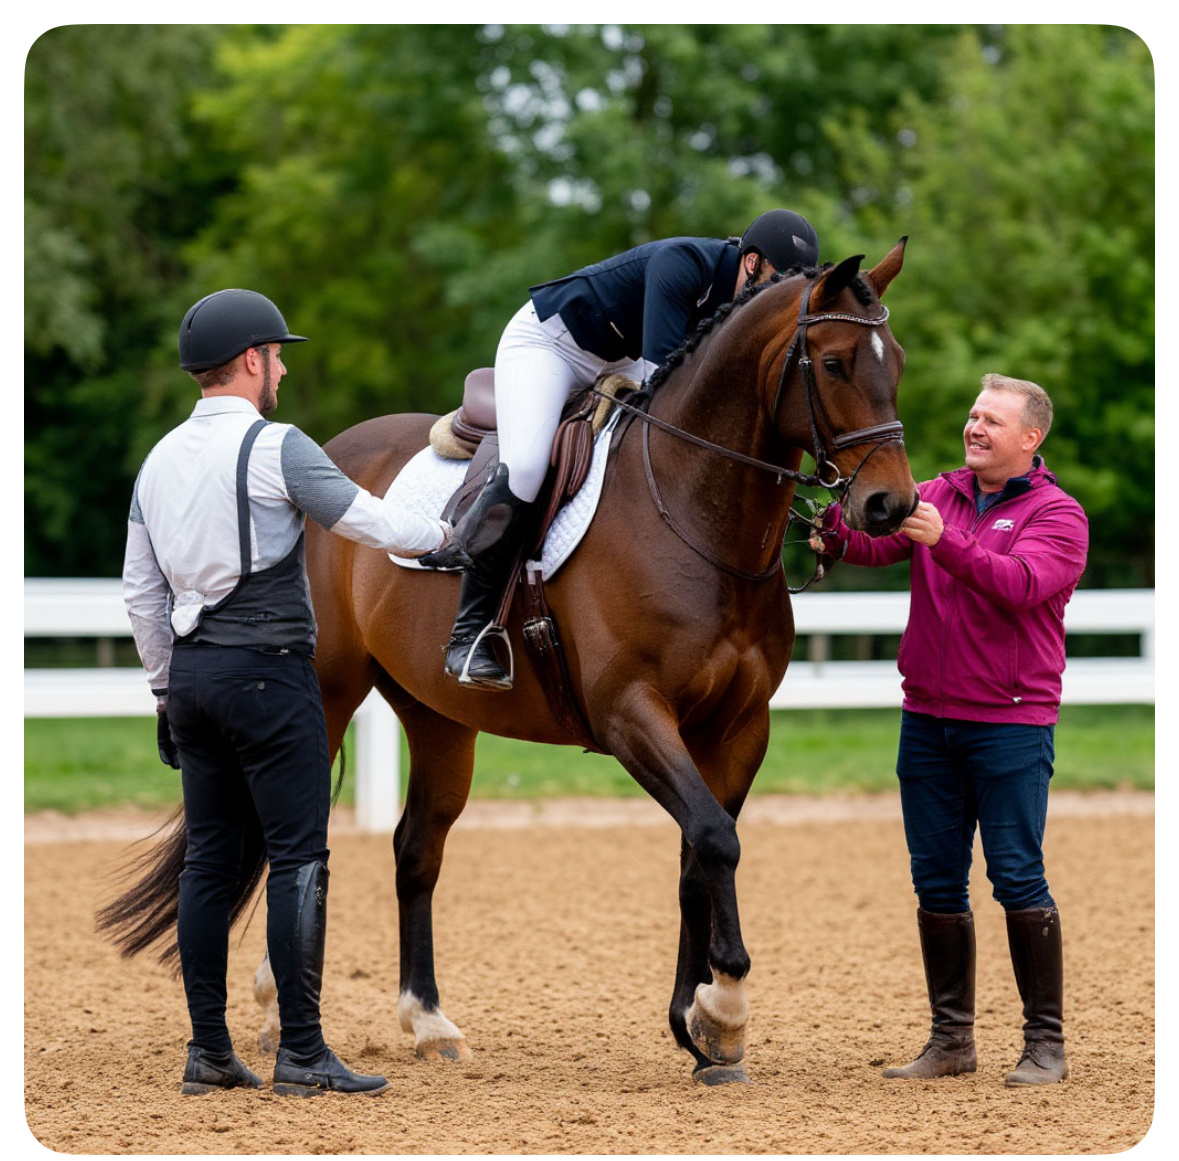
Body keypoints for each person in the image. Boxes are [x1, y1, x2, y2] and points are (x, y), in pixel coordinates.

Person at [123, 288, 452, 1096]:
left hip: (192, 677)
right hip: (269, 672)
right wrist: (449, 535)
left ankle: (209, 1051)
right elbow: (369, 522)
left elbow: (141, 593)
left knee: (208, 862)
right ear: (249, 360)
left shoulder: (158, 460)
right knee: (299, 857)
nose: (282, 370)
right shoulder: (276, 446)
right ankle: (301, 1051)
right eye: (276, 356)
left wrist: (166, 688)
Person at [811, 373, 1088, 1086]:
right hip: (927, 721)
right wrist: (834, 527)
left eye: (991, 419)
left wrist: (947, 543)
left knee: (1016, 875)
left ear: (1030, 437)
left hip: (1009, 723)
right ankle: (951, 1041)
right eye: (972, 415)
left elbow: (1021, 585)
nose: (974, 427)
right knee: (935, 880)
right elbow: (876, 546)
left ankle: (1045, 1044)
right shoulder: (935, 493)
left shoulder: (1059, 515)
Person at [419, 208, 821, 690]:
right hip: (553, 345)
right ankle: (469, 634)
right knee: (526, 466)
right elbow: (663, 384)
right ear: (752, 263)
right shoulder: (682, 265)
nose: (779, 298)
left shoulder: (743, 303)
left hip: (618, 358)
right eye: (778, 281)